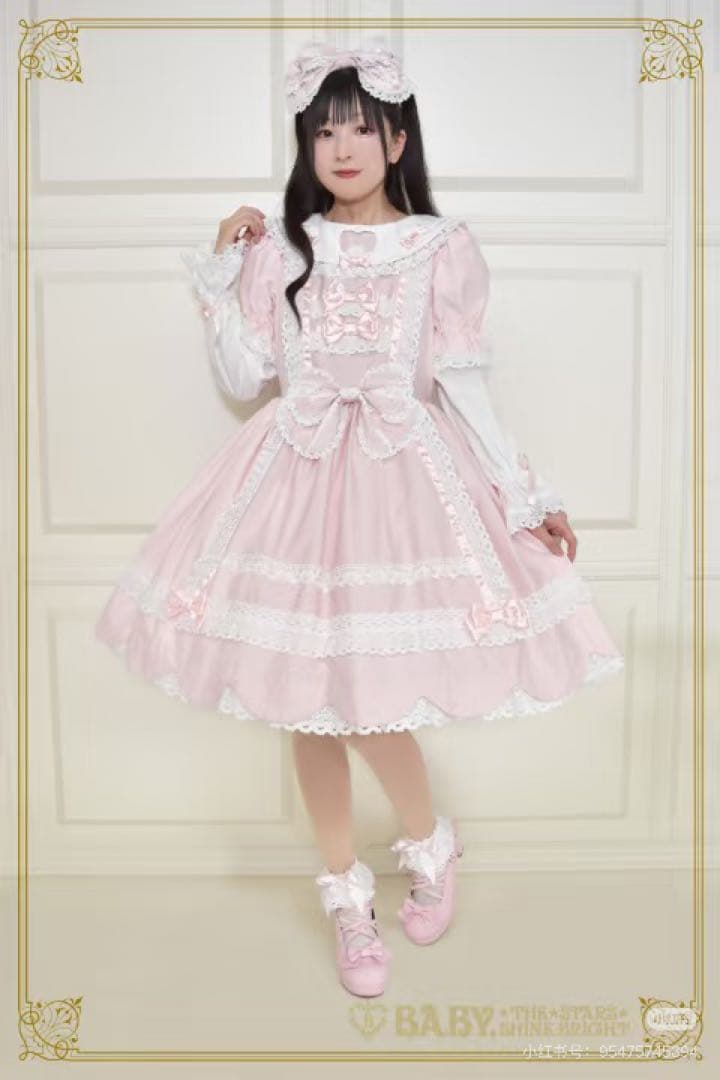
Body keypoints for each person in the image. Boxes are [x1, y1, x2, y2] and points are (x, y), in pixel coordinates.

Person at [94, 39, 624, 999]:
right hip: (291, 483)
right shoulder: (280, 247)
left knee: (371, 699)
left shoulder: (440, 247)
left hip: (402, 484)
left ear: (397, 140)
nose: (341, 148)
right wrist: (221, 273)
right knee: (306, 701)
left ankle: (429, 843)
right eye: (323, 131)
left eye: (360, 129)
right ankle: (346, 897)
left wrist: (527, 496)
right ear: (307, 145)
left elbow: (464, 384)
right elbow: (244, 378)